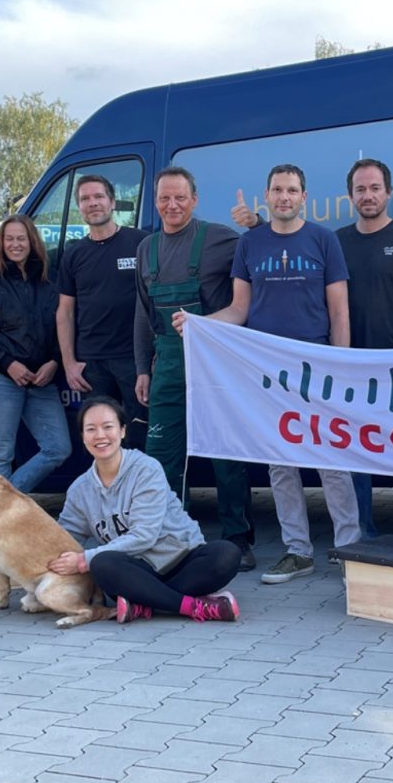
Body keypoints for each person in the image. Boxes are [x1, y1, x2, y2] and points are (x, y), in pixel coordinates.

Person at [182, 163, 360, 584]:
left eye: (292, 190)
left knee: (331, 460)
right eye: (277, 190)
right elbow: (240, 309)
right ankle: (297, 551)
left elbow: (339, 308)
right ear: (267, 196)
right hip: (266, 371)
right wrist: (200, 323)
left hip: (317, 366)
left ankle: (351, 550)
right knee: (281, 465)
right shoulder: (250, 244)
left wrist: (343, 364)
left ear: (303, 197)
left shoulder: (324, 239)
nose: (284, 197)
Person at [131, 166, 258, 571]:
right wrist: (142, 369)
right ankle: (169, 535)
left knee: (225, 454)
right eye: (165, 198)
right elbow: (142, 313)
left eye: (180, 198)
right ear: (155, 202)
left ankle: (238, 539)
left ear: (195, 199)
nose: (172, 205)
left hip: (216, 363)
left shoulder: (219, 238)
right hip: (166, 362)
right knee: (160, 453)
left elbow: (263, 253)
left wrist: (255, 223)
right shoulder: (145, 249)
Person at [55, 398, 244, 623]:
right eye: (91, 429)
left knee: (226, 554)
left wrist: (82, 559)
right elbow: (61, 538)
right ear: (83, 437)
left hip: (181, 560)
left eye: (108, 427)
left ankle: (146, 603)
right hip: (136, 571)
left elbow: (144, 536)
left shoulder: (146, 468)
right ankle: (192, 606)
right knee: (102, 564)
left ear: (123, 431)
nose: (100, 436)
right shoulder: (80, 490)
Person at [330, 158, 393, 540]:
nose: (368, 196)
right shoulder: (336, 242)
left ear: (388, 192)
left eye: (374, 188)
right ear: (350, 195)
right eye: (360, 189)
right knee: (356, 457)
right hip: (353, 369)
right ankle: (362, 538)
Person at [0, 215, 70, 492]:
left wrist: (55, 362)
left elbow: (65, 323)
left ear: (32, 241)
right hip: (0, 379)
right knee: (1, 455)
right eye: (9, 239)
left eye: (21, 238)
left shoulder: (51, 280)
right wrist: (8, 364)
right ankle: (1, 522)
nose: (15, 244)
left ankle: (3, 502)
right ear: (1, 243)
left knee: (58, 448)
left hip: (42, 379)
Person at [57, 174, 148, 447]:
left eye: (98, 197)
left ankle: (143, 490)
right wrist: (69, 363)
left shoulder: (141, 243)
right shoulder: (73, 254)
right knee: (101, 440)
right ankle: (108, 490)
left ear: (112, 202)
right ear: (79, 207)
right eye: (85, 199)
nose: (92, 203)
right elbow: (65, 312)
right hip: (91, 364)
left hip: (134, 360)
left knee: (140, 434)